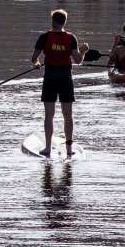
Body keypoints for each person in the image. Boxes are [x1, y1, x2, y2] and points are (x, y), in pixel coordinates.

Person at [31, 9, 88, 157]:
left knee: (49, 114)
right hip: (65, 79)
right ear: (64, 22)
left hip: (50, 77)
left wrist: (37, 63)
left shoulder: (44, 37)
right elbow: (78, 60)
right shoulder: (71, 38)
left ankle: (48, 148)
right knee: (67, 115)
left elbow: (34, 58)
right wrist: (83, 51)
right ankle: (69, 150)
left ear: (52, 21)